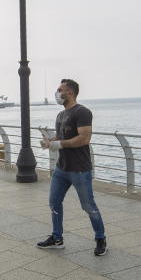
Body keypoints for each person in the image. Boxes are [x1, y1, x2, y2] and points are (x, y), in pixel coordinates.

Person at [37, 79, 108, 257]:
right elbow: (61, 135)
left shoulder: (82, 112)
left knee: (88, 206)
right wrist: (49, 142)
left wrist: (59, 144)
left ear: (70, 93)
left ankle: (101, 240)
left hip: (80, 170)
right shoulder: (61, 115)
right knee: (54, 203)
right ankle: (57, 238)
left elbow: (84, 138)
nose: (57, 93)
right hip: (62, 169)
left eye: (60, 90)